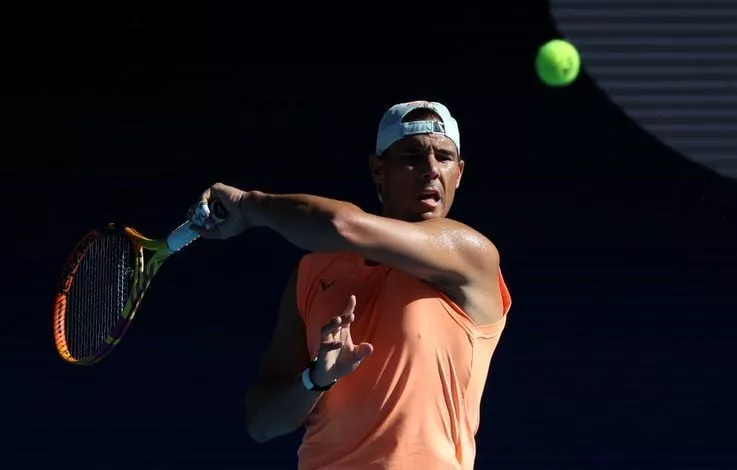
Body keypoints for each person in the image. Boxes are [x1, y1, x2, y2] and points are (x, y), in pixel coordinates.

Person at [192, 100, 512, 469]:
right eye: (412, 157)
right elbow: (262, 424)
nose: (431, 170)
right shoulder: (313, 271)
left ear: (459, 172)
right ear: (378, 170)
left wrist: (248, 206)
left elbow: (342, 225)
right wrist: (316, 378)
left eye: (444, 158)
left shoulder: (471, 255)